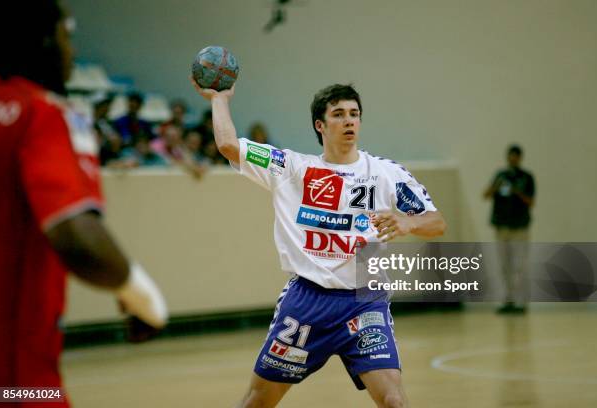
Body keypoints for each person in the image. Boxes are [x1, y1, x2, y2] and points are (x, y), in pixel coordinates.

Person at [191, 79, 446, 408]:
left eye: (354, 113)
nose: (349, 120)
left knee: (394, 400)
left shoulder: (387, 173)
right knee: (257, 402)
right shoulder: (293, 168)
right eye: (339, 114)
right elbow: (227, 145)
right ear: (320, 125)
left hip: (364, 302)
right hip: (307, 303)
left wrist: (408, 221)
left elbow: (436, 222)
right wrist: (218, 98)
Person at [0, 2, 168, 406]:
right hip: (15, 385)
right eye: (67, 34)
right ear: (43, 39)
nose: (70, 48)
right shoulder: (42, 114)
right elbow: (75, 232)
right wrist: (141, 295)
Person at [483, 144, 535, 314]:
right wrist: (497, 186)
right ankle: (507, 300)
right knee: (504, 265)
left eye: (515, 156)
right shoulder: (501, 176)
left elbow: (531, 201)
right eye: (510, 156)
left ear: (520, 158)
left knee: (519, 264)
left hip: (520, 226)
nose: (513, 159)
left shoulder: (527, 178)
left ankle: (520, 302)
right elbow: (486, 195)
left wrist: (516, 191)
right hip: (502, 226)